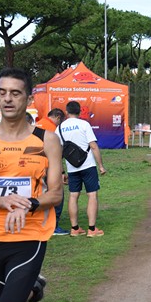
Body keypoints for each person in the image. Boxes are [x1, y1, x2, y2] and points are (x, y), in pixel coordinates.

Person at [0, 67, 63, 302]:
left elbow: (56, 193)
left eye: (15, 93)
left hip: (27, 239)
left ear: (29, 99)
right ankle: (33, 288)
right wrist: (2, 201)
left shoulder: (46, 139)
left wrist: (29, 204)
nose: (8, 99)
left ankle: (27, 285)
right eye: (2, 93)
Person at [56, 101, 107, 237]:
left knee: (73, 196)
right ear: (79, 112)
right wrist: (101, 165)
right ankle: (91, 229)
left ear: (66, 112)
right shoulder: (84, 124)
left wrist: (62, 172)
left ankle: (75, 228)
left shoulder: (59, 128)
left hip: (72, 167)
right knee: (92, 195)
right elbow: (93, 146)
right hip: (88, 165)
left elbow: (58, 153)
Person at [36, 109, 69, 235]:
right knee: (56, 194)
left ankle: (41, 222)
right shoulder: (52, 129)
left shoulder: (38, 124)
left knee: (41, 194)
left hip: (35, 166)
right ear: (57, 117)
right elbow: (56, 154)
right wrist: (61, 172)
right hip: (48, 166)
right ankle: (54, 226)